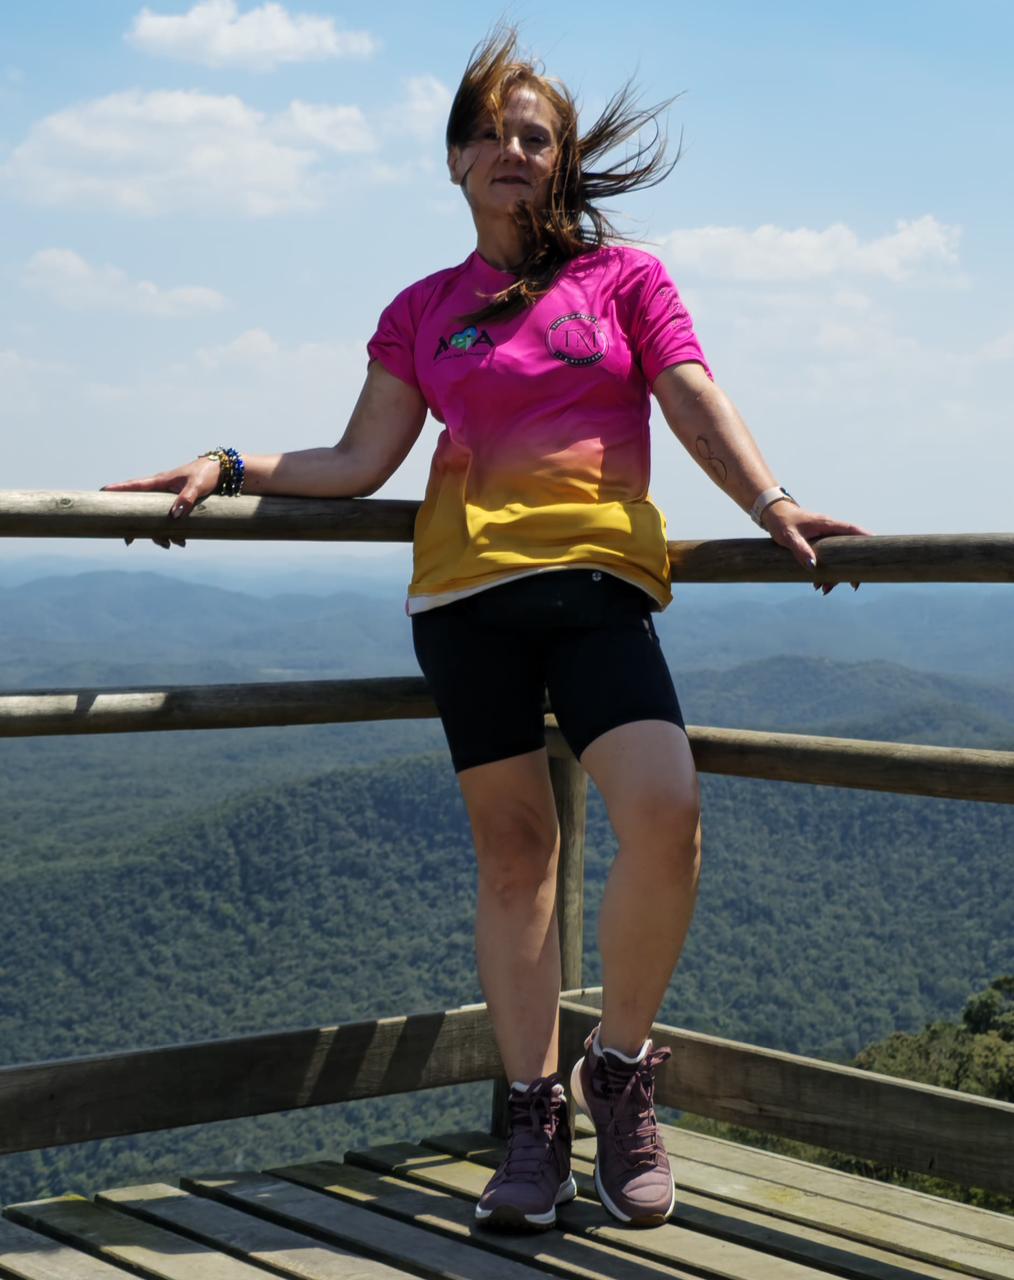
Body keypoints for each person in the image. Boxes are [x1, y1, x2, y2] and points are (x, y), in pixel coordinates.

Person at [105, 28, 867, 1234]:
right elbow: (360, 460)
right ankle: (527, 1114)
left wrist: (770, 502)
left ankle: (615, 1071)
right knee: (515, 858)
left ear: (559, 163)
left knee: (665, 813)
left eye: (536, 137)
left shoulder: (627, 282)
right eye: (495, 136)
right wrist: (230, 459)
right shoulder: (421, 310)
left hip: (601, 587)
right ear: (457, 158)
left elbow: (689, 392)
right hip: (466, 602)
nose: (515, 153)